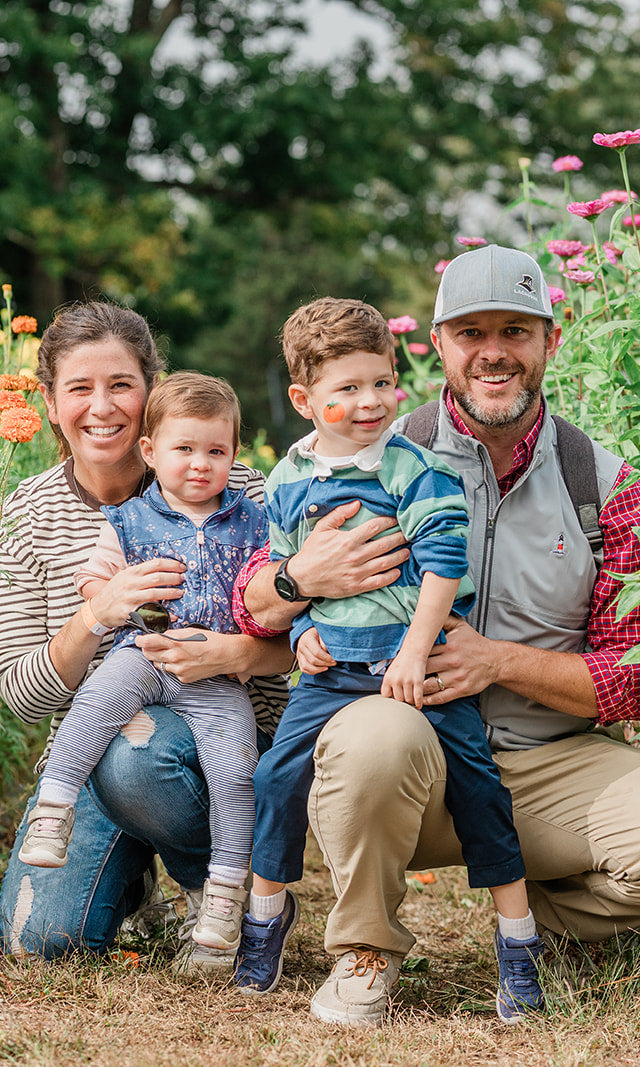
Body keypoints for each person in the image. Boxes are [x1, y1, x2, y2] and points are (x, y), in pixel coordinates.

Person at [232, 245, 640, 1025]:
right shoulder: (370, 452)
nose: (493, 351)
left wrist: (496, 660)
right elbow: (252, 601)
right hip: (409, 752)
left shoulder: (601, 481)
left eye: (515, 330)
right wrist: (302, 588)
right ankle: (366, 948)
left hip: (547, 762)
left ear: (549, 342)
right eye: (471, 332)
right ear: (440, 345)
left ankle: (537, 918)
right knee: (369, 740)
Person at [233, 298, 545, 1023]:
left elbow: (442, 562)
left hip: (423, 664)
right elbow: (290, 566)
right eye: (346, 389)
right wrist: (305, 623)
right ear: (304, 400)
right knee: (276, 777)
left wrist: (414, 649)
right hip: (333, 668)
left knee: (481, 793)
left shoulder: (413, 467)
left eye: (381, 381)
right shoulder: (287, 480)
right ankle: (264, 916)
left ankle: (517, 940)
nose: (369, 401)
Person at [0, 302, 292, 974]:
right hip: (92, 754)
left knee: (142, 754)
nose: (102, 406)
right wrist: (99, 610)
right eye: (80, 388)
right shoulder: (28, 511)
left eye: (122, 384)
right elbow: (21, 694)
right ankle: (130, 874)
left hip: (218, 736)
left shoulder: (232, 483)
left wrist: (237, 652)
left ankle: (217, 888)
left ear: (151, 389)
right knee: (42, 942)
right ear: (49, 402)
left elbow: (303, 639)